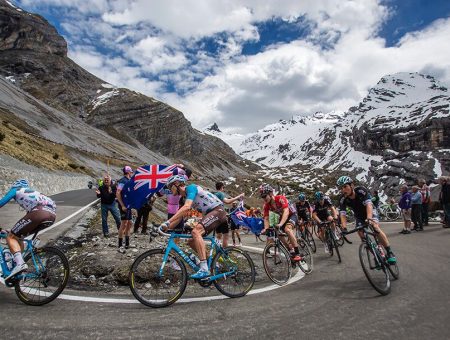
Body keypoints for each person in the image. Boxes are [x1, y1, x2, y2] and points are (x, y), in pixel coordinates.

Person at [160, 175, 228, 279]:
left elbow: (187, 207)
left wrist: (168, 222)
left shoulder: (190, 188)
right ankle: (213, 264)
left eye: (170, 186)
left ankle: (204, 268)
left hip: (218, 211)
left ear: (177, 184)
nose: (169, 189)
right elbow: (180, 217)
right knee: (191, 241)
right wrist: (164, 227)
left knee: (196, 232)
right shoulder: (184, 198)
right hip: (211, 214)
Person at [0, 179, 56, 281]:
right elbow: (27, 220)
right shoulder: (34, 193)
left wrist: (12, 232)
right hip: (51, 215)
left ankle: (20, 264)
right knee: (17, 236)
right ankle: (19, 268)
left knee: (10, 237)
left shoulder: (16, 190)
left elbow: (2, 202)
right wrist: (13, 229)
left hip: (39, 213)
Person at [337, 176, 396, 264]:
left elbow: (369, 204)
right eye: (341, 188)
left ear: (352, 185)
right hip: (359, 216)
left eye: (345, 186)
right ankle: (377, 255)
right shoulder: (343, 199)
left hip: (370, 212)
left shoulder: (361, 191)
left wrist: (369, 218)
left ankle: (390, 252)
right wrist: (344, 228)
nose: (343, 190)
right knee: (361, 233)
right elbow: (343, 214)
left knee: (375, 227)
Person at [259, 184, 302, 262]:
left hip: (291, 215)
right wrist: (266, 228)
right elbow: (266, 218)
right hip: (281, 218)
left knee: (287, 229)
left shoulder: (280, 198)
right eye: (262, 197)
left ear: (271, 194)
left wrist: (281, 224)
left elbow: (286, 211)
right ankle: (290, 250)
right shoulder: (266, 206)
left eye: (265, 196)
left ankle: (297, 253)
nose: (264, 198)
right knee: (278, 234)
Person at [213, 182, 244, 247]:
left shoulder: (214, 194)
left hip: (215, 216)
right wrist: (239, 196)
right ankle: (224, 254)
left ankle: (216, 251)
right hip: (221, 216)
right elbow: (227, 201)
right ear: (221, 187)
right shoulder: (220, 193)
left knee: (218, 235)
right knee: (225, 235)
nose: (223, 189)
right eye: (223, 187)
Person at [116, 165, 134, 253]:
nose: (132, 173)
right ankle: (120, 245)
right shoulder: (123, 181)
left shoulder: (128, 180)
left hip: (128, 205)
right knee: (124, 224)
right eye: (131, 172)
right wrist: (122, 205)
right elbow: (118, 192)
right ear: (129, 172)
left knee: (129, 223)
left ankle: (127, 243)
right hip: (124, 205)